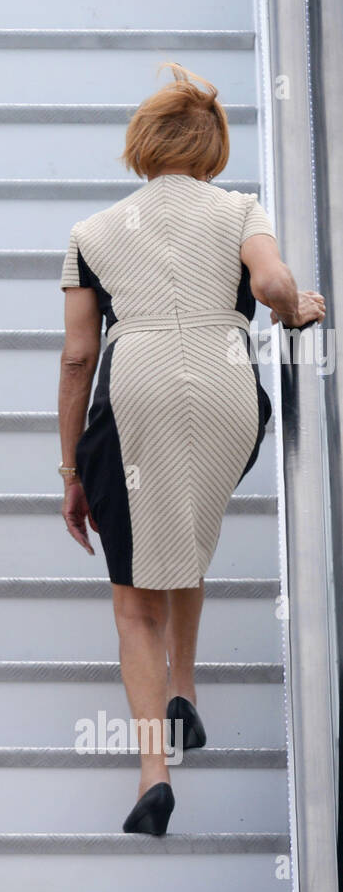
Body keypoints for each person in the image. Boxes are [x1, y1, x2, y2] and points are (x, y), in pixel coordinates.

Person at [58, 64, 325, 835]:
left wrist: (72, 470)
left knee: (132, 600)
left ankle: (152, 773)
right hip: (225, 384)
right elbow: (271, 281)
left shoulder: (92, 233)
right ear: (212, 149)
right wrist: (295, 310)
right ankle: (186, 691)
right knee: (182, 525)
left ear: (142, 147)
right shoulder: (241, 206)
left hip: (133, 387)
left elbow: (78, 359)